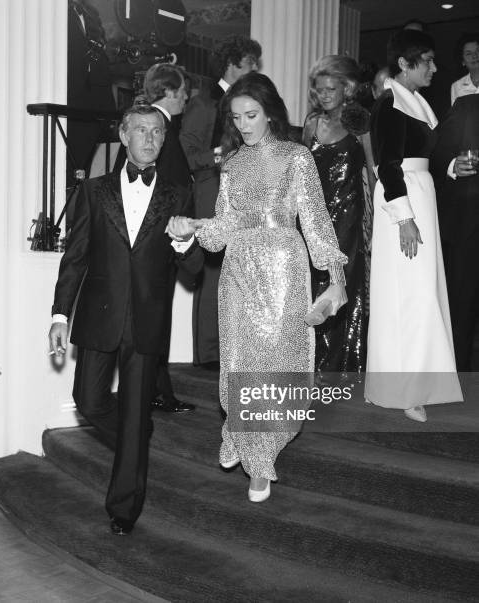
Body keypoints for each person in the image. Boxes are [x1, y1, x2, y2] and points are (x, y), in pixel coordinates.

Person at [167, 73, 347, 502]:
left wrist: (335, 279)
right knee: (237, 358)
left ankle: (261, 460)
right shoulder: (231, 165)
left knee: (276, 360)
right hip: (238, 270)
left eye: (251, 115)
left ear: (270, 114)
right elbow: (222, 231)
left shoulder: (296, 157)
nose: (244, 124)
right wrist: (190, 229)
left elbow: (316, 221)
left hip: (283, 265)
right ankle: (238, 429)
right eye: (236, 117)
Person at [48, 104, 202, 535]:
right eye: (141, 130)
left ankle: (123, 508)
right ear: (123, 135)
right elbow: (74, 258)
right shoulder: (94, 191)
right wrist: (60, 314)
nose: (150, 139)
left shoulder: (177, 192)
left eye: (157, 132)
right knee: (90, 401)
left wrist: (184, 242)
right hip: (99, 315)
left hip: (148, 320)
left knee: (134, 414)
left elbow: (192, 270)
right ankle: (135, 444)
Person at [365, 29, 462, 422]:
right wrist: (404, 217)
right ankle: (404, 390)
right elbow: (387, 165)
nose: (435, 68)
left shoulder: (417, 101)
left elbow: (429, 156)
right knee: (408, 294)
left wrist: (455, 167)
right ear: (405, 65)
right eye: (427, 60)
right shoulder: (389, 103)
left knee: (423, 291)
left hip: (421, 194)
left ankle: (418, 383)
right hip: (400, 201)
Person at [179, 35, 262, 368]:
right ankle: (210, 354)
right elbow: (187, 152)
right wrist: (219, 157)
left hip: (238, 188)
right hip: (211, 189)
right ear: (232, 64)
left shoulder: (244, 100)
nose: (254, 69)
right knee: (213, 269)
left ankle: (228, 348)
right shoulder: (204, 101)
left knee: (235, 269)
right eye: (250, 63)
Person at [303, 55, 369, 374]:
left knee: (342, 285)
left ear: (347, 87)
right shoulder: (312, 123)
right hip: (313, 216)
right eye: (320, 90)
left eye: (332, 88)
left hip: (347, 216)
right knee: (314, 284)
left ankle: (340, 367)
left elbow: (376, 171)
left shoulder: (359, 123)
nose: (325, 95)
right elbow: (299, 171)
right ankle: (311, 364)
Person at [142, 62, 196, 413]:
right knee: (155, 321)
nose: (186, 100)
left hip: (159, 237)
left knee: (155, 319)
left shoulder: (156, 123)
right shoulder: (158, 126)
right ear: (172, 92)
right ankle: (156, 392)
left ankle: (158, 390)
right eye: (184, 94)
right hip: (160, 239)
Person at [431, 94, 479, 370]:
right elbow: (433, 151)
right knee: (462, 307)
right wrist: (451, 165)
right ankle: (456, 376)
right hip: (470, 228)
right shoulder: (467, 106)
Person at [450, 33, 479, 105]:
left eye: (478, 51)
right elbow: (457, 115)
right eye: (468, 53)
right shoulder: (456, 86)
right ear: (462, 61)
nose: (475, 56)